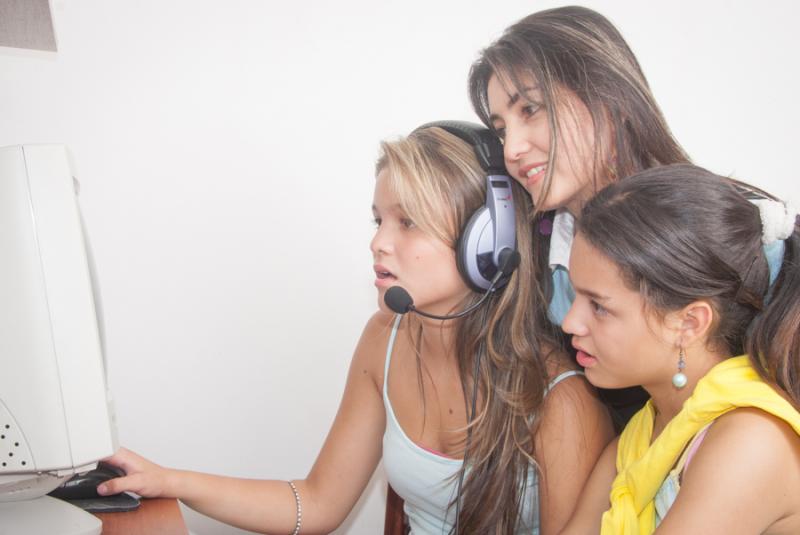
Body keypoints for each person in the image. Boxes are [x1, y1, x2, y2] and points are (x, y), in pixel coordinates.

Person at [97, 125, 613, 534]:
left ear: (486, 245)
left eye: (406, 222)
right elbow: (318, 502)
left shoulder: (560, 399)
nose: (379, 244)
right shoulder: (384, 338)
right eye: (378, 221)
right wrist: (173, 480)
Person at [468, 5, 692, 425]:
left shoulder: (733, 238)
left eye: (530, 110)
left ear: (608, 99)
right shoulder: (529, 259)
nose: (511, 149)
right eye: (501, 130)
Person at [559, 164, 800, 534]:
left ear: (689, 323)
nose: (569, 323)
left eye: (599, 306)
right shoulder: (641, 436)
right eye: (576, 295)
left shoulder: (752, 440)